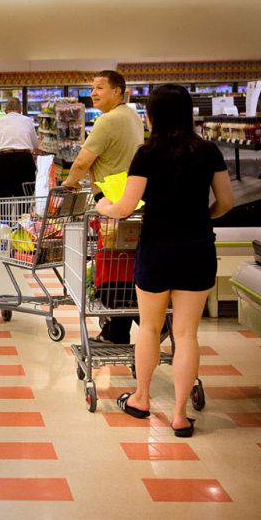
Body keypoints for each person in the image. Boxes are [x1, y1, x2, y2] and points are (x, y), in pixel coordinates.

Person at [97, 84, 234, 437]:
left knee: (151, 328)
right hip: (197, 248)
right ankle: (179, 414)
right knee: (186, 334)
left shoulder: (147, 154)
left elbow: (125, 208)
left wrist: (104, 206)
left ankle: (141, 398)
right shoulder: (208, 152)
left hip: (157, 248)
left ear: (153, 116)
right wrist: (202, 216)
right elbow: (226, 202)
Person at [62, 70, 144, 343]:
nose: (93, 93)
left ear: (117, 91)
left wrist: (69, 185)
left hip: (111, 201)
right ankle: (115, 331)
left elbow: (83, 162)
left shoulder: (107, 121)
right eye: (92, 88)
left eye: (99, 88)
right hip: (132, 198)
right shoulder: (132, 116)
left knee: (111, 267)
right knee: (122, 264)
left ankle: (138, 322)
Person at [0, 97, 40, 198]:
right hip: (25, 161)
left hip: (4, 162)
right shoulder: (27, 121)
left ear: (5, 110)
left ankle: (5, 213)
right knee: (24, 198)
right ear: (20, 109)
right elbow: (35, 145)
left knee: (5, 199)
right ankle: (22, 214)